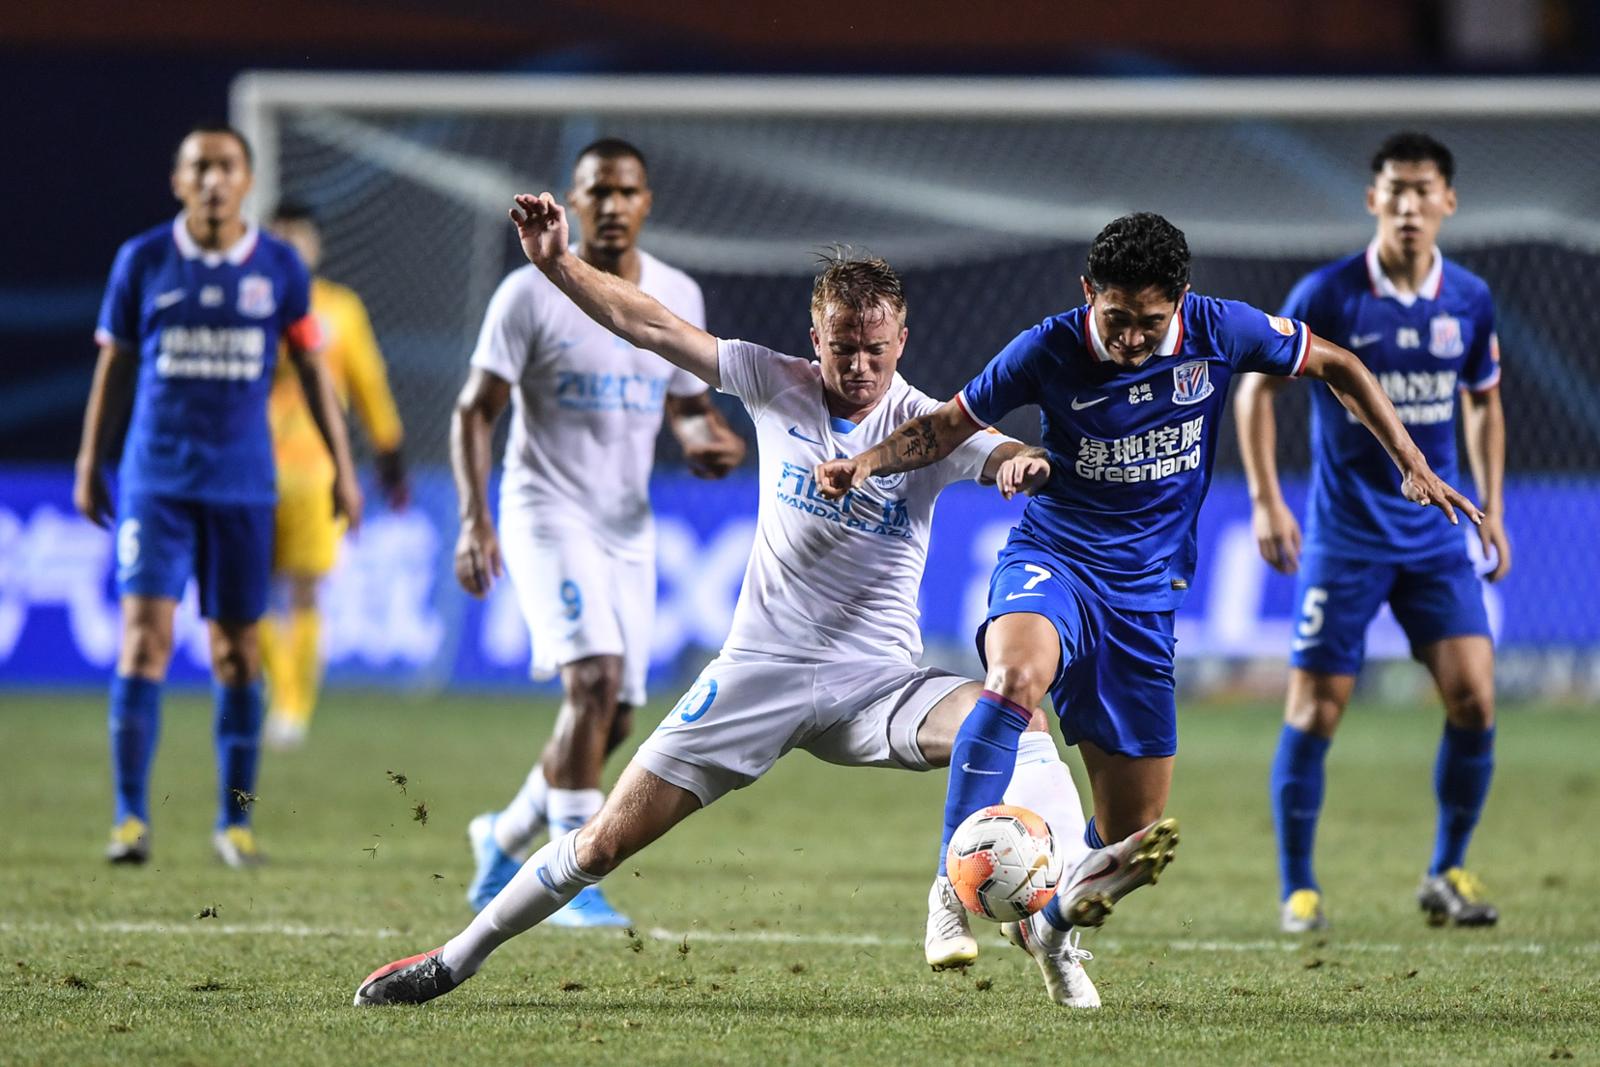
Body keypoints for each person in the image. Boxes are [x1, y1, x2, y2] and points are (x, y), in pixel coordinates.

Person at [353, 193, 1100, 1008]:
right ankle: (452, 960)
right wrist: (558, 263)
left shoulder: (928, 425)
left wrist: (1020, 461)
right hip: (756, 675)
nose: (858, 366)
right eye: (843, 348)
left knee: (1020, 723)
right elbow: (651, 325)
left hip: (878, 685)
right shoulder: (774, 381)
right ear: (814, 337)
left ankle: (1052, 914)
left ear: (902, 342)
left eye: (875, 350)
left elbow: (1002, 448)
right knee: (601, 843)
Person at [813, 211, 1482, 1007]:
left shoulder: (1220, 330)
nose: (1132, 337)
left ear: (1182, 300)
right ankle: (949, 892)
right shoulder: (1048, 347)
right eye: (1117, 317)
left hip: (1143, 597)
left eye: (1150, 321)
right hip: (1055, 558)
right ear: (1088, 292)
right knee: (1015, 677)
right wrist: (865, 462)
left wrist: (1411, 461)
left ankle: (1052, 928)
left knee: (1134, 829)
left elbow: (1339, 363)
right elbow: (948, 426)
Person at [452, 140, 745, 928]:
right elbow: (475, 409)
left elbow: (687, 405)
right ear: (575, 202)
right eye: (597, 191)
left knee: (612, 715)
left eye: (626, 191)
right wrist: (475, 518)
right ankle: (571, 877)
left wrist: (705, 441)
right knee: (592, 680)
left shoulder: (676, 291)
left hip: (627, 524)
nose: (612, 205)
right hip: (545, 510)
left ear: (647, 202)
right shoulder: (529, 293)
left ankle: (502, 834)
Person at [1234, 132, 1509, 933]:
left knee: (1475, 698)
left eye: (1424, 190)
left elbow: (1484, 400)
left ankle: (1446, 869)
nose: (1409, 205)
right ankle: (1299, 888)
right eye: (1395, 190)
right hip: (1346, 536)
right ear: (1372, 199)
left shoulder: (1470, 300)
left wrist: (1493, 505)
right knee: (1317, 710)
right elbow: (1256, 393)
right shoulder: (1327, 294)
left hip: (1434, 536)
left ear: (1448, 201)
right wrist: (1265, 498)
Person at [75, 124, 362, 868]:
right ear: (178, 181)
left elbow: (313, 370)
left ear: (247, 180)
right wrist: (90, 459)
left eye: (226, 166)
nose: (212, 180)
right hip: (157, 481)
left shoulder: (279, 267)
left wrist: (344, 466)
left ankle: (234, 825)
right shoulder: (142, 260)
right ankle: (129, 820)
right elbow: (115, 364)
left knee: (237, 652)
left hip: (242, 485)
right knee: (145, 639)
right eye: (198, 167)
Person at [258, 201, 409, 751]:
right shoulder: (249, 304)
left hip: (317, 472)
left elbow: (368, 383)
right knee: (249, 594)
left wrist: (389, 452)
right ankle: (280, 691)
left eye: (298, 237)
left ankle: (291, 708)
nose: (289, 247)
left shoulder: (340, 311)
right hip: (250, 469)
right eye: (279, 236)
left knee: (305, 592)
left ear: (316, 246)